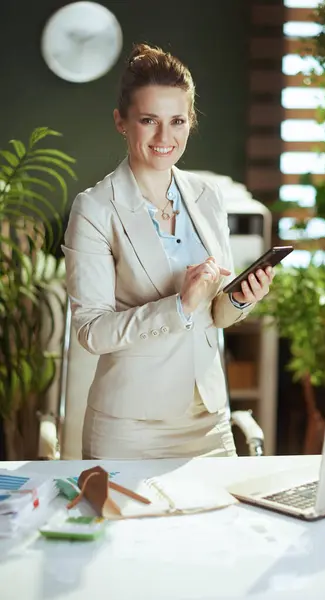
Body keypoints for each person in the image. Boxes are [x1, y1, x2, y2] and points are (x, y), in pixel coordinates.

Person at [62, 43, 274, 460]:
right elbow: (91, 331)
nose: (165, 137)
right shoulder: (94, 209)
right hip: (130, 428)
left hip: (208, 420)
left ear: (190, 121)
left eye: (177, 120)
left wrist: (238, 298)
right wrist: (178, 305)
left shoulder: (207, 195)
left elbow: (214, 314)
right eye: (149, 120)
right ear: (121, 122)